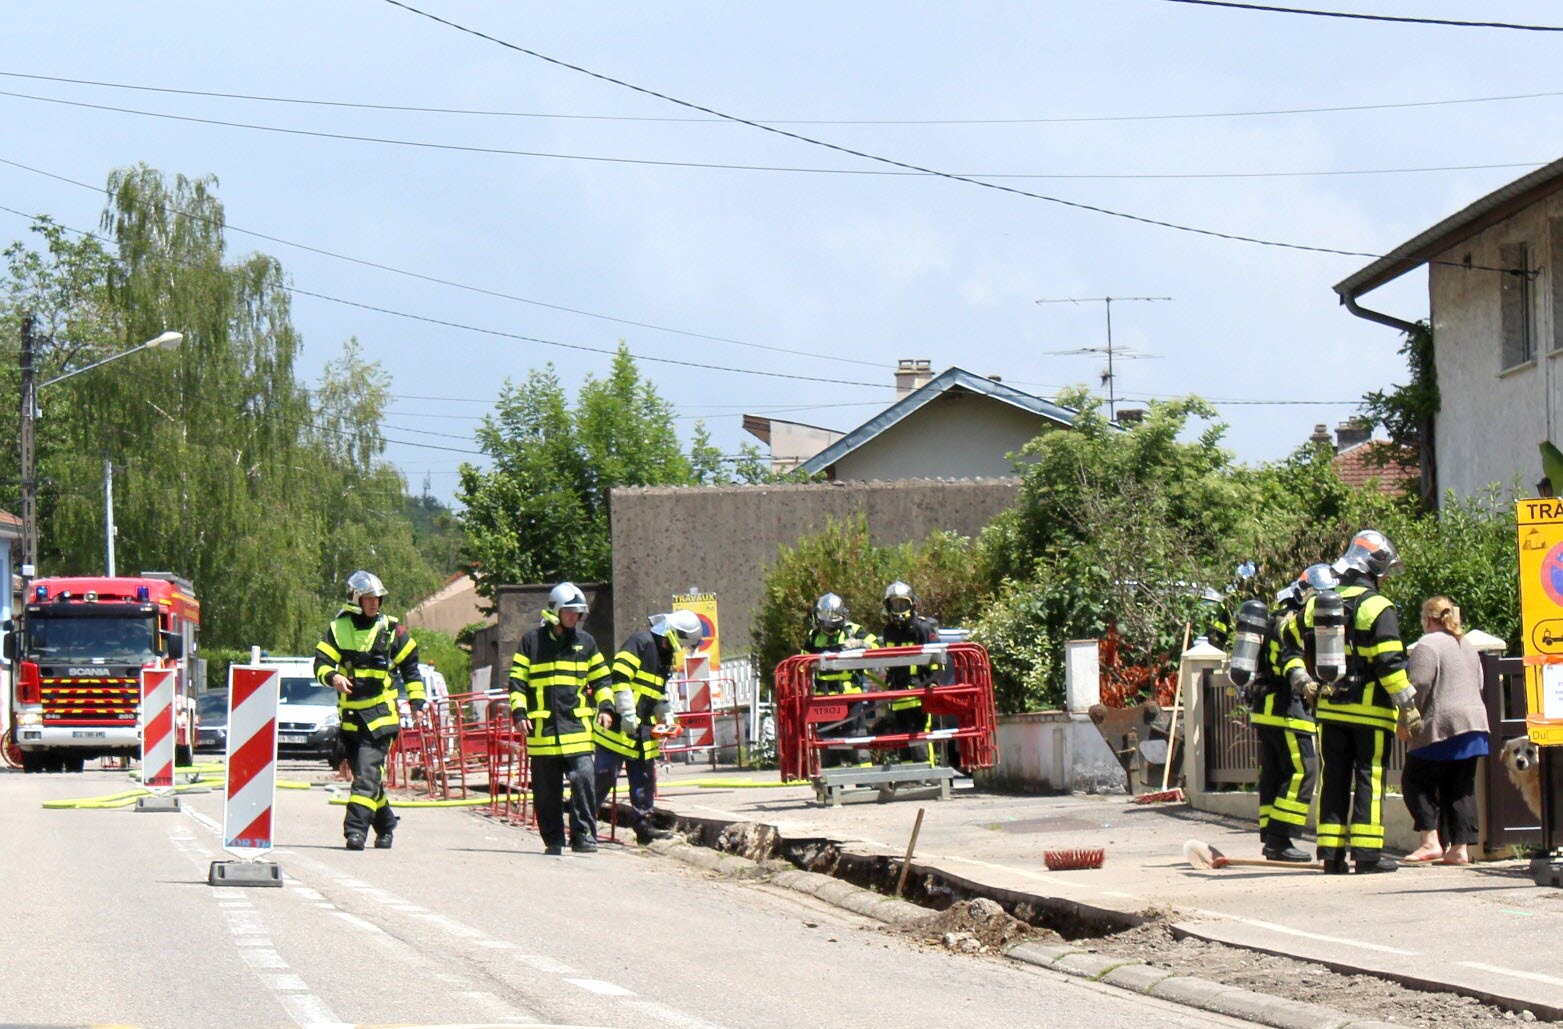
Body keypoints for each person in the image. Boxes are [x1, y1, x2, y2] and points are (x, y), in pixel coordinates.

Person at [1285, 530, 1420, 874]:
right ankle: (1367, 854)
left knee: (1333, 780)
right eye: (1384, 571)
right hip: (1371, 712)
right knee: (1369, 777)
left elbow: (1287, 635)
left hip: (1329, 708)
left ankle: (1331, 855)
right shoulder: (1378, 607)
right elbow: (1389, 663)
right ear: (1373, 570)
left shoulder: (1319, 601)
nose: (1386, 577)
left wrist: (1303, 679)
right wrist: (1408, 705)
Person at [314, 570, 424, 851]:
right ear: (356, 599)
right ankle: (386, 824)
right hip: (351, 720)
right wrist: (333, 677)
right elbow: (320, 663)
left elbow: (411, 669)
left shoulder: (393, 631)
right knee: (370, 779)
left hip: (380, 717)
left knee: (365, 776)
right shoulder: (339, 629)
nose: (374, 603)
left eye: (378, 598)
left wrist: (417, 704)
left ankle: (355, 832)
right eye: (369, 598)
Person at [509, 582, 613, 855]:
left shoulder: (586, 643)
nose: (574, 617)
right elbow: (517, 683)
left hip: (576, 730)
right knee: (546, 793)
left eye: (577, 613)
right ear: (555, 610)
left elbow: (602, 679)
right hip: (543, 733)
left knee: (584, 780)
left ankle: (585, 835)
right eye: (569, 612)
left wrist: (605, 707)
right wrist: (519, 713)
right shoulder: (531, 642)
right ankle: (554, 839)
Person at [593, 610, 703, 844]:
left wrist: (666, 714)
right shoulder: (640, 643)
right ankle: (582, 823)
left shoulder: (665, 656)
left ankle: (644, 826)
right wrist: (627, 711)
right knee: (604, 775)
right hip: (617, 728)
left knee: (644, 780)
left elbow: (656, 693)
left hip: (641, 731)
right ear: (675, 635)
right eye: (683, 645)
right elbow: (619, 678)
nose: (680, 650)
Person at [1244, 566, 1327, 863]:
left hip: (1265, 711)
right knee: (1304, 771)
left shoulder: (1270, 620)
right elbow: (1293, 663)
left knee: (1274, 774)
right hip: (1288, 710)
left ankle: (1270, 837)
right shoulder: (1291, 624)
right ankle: (1281, 839)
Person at [1400, 596, 1489, 865]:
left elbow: (1420, 683)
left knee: (1414, 781)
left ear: (1427, 619)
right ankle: (1459, 850)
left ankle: (1430, 841)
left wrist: (1407, 720)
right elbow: (1480, 682)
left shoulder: (1427, 645)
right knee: (1460, 787)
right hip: (1474, 725)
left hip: (1442, 726)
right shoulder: (1467, 644)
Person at [802, 593, 880, 768]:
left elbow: (876, 646)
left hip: (850, 697)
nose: (828, 625)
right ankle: (832, 785)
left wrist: (860, 644)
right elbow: (802, 663)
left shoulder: (853, 630)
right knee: (828, 743)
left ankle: (864, 780)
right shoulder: (814, 637)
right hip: (824, 698)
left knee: (856, 739)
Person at [878, 581, 941, 764]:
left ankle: (926, 774)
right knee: (902, 737)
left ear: (912, 604)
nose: (898, 609)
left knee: (920, 735)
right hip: (898, 694)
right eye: (895, 605)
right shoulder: (889, 631)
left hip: (919, 692)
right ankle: (909, 779)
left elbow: (937, 662)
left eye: (902, 604)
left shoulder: (923, 628)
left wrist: (932, 682)